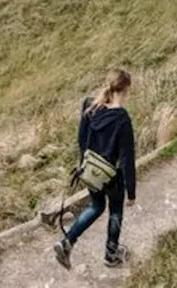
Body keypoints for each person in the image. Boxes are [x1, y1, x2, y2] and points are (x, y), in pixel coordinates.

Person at [54, 69, 137, 270]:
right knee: (115, 211)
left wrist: (84, 164)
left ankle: (67, 242)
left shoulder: (89, 106)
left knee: (96, 206)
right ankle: (111, 254)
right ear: (125, 89)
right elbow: (126, 159)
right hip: (111, 176)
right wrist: (131, 192)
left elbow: (81, 140)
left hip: (91, 170)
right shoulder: (122, 119)